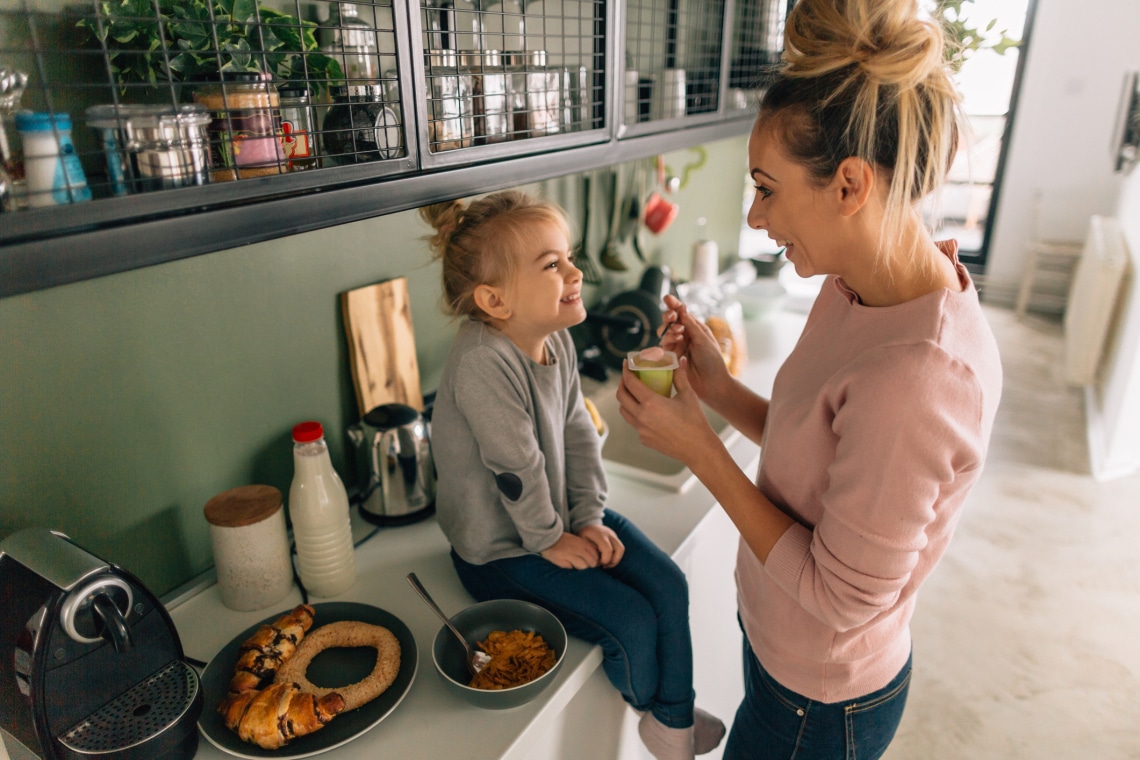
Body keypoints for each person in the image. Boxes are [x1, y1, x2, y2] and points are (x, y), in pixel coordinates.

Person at [616, 0, 1004, 758]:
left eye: (767, 188)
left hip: (819, 706)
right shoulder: (858, 284)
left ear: (850, 185)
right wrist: (720, 390)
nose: (757, 218)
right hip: (779, 656)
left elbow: (837, 597)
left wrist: (701, 447)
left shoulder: (920, 378)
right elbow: (818, 447)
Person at [422, 191, 726, 760]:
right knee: (630, 620)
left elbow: (577, 433)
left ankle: (673, 716)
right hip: (501, 551)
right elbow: (516, 467)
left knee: (668, 584)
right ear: (495, 299)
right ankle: (659, 716)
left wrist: (586, 516)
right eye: (552, 264)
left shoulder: (555, 340)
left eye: (568, 256)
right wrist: (548, 539)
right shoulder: (483, 363)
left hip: (555, 518)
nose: (575, 272)